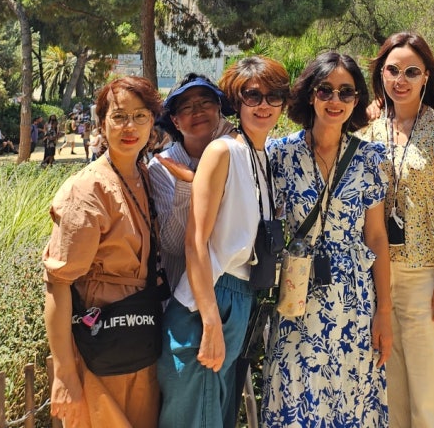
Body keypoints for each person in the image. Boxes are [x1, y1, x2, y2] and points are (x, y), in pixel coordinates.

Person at [262, 51, 392, 428]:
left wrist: (384, 312)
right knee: (293, 390)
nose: (335, 100)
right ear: (310, 94)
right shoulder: (280, 154)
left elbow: (376, 237)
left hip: (352, 298)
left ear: (356, 99)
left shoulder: (370, 158)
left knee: (349, 396)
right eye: (325, 90)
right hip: (297, 291)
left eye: (345, 92)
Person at [157, 56, 289, 428]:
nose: (264, 105)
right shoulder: (222, 151)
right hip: (210, 301)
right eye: (252, 95)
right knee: (196, 416)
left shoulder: (261, 155)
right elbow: (194, 243)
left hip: (239, 297)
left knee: (214, 415)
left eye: (274, 96)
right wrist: (211, 322)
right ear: (235, 101)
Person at [43, 75, 163, 428]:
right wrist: (64, 372)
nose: (130, 127)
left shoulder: (143, 176)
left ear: (152, 123)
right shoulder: (87, 190)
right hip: (98, 347)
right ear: (102, 123)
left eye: (140, 116)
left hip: (139, 338)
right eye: (119, 116)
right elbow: (58, 281)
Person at [362, 32, 434, 428]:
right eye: (392, 70)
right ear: (381, 74)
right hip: (375, 276)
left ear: (426, 76)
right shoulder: (366, 132)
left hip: (426, 275)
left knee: (431, 395)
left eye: (411, 71)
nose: (400, 80)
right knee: (388, 391)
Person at [148, 73, 237, 290]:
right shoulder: (162, 167)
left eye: (205, 102)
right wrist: (188, 185)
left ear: (219, 108)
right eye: (186, 107)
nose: (197, 111)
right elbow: (174, 245)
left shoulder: (238, 155)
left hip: (233, 290)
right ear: (175, 121)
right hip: (183, 293)